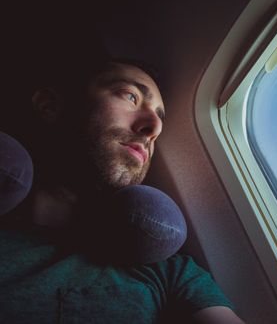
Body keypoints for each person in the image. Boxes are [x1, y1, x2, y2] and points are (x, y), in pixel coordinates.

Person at [0, 53, 245, 323]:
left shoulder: (169, 271)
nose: (155, 127)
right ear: (50, 106)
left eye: (159, 118)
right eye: (130, 97)